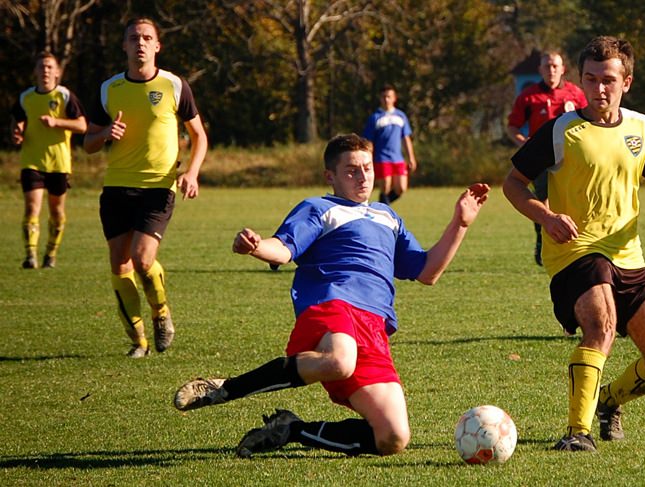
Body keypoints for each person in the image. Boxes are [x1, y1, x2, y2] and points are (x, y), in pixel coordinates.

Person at [174, 133, 489, 458]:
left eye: (367, 167)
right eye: (352, 170)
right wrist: (256, 247)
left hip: (374, 326)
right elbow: (283, 250)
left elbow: (427, 272)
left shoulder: (388, 217)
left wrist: (460, 223)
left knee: (393, 436)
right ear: (331, 176)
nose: (364, 176)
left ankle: (292, 429)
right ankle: (226, 388)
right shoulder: (319, 208)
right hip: (332, 303)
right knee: (339, 361)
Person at [503, 36, 645, 452]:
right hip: (576, 252)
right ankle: (577, 432)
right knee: (600, 325)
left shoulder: (642, 127)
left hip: (628, 255)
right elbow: (514, 183)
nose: (599, 88)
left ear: (627, 81)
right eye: (590, 79)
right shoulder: (561, 130)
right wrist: (546, 216)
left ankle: (608, 402)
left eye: (608, 80)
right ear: (580, 80)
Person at [83, 18, 208, 358]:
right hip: (116, 187)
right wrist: (106, 133)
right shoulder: (109, 88)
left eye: (147, 38)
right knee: (119, 265)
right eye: (133, 38)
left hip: (157, 186)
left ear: (157, 46)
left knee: (141, 258)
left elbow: (199, 136)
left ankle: (161, 312)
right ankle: (138, 340)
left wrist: (192, 173)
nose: (140, 43)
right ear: (124, 46)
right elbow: (88, 143)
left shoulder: (174, 85)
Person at [506, 51, 587, 266]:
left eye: (555, 66)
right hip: (542, 160)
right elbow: (512, 126)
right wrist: (525, 144)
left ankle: (579, 245)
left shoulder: (576, 94)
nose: (551, 70)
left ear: (563, 69)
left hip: (571, 158)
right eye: (547, 66)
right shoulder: (529, 96)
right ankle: (543, 241)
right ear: (540, 70)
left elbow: (589, 123)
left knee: (574, 199)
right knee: (543, 201)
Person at [10, 51, 87, 269]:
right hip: (32, 160)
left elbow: (82, 126)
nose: (45, 71)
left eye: (49, 67)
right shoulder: (26, 97)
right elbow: (18, 123)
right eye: (41, 67)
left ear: (57, 72)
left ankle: (50, 254)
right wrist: (17, 134)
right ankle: (30, 255)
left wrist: (57, 123)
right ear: (35, 71)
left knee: (56, 211)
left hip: (59, 162)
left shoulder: (64, 96)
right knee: (32, 207)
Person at [362, 84, 418, 205]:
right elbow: (369, 141)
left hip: (397, 158)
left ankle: (379, 208)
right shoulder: (375, 118)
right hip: (381, 158)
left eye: (389, 96)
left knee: (401, 188)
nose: (386, 99)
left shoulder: (401, 116)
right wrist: (369, 159)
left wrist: (411, 157)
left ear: (394, 98)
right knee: (385, 187)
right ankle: (382, 211)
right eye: (383, 97)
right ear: (380, 98)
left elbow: (406, 138)